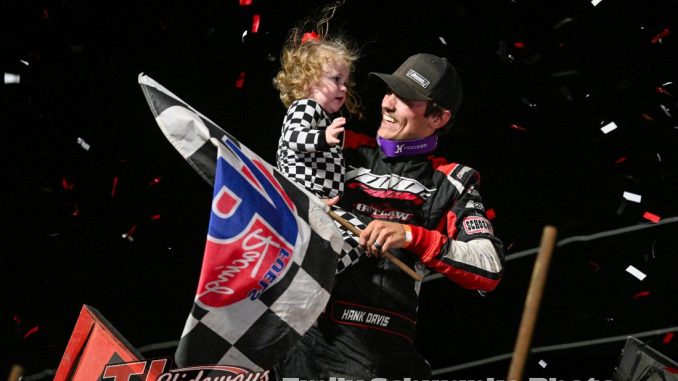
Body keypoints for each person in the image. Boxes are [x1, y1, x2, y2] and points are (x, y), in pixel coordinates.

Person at [273, 53, 505, 379]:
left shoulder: (453, 180)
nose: (388, 104)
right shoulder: (342, 146)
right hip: (304, 339)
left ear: (438, 117)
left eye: (406, 98)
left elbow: (489, 266)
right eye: (389, 91)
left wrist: (411, 236)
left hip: (383, 353)